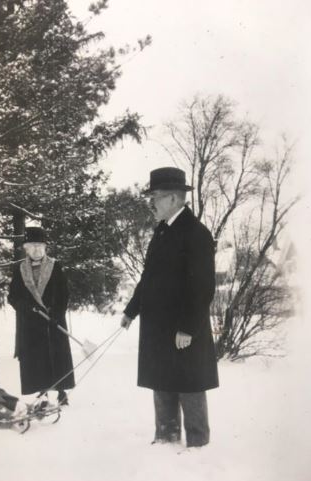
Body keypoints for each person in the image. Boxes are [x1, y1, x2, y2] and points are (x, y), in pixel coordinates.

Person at [121, 167, 219, 449]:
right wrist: (131, 310)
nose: (152, 202)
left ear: (175, 199)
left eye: (156, 197)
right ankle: (166, 439)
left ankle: (198, 446)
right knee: (162, 382)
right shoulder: (161, 232)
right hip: (158, 328)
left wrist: (188, 327)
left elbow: (203, 287)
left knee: (189, 385)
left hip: (183, 328)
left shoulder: (196, 233)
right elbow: (148, 278)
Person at [8, 226, 75, 405]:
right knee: (37, 359)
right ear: (26, 248)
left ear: (46, 248)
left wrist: (57, 312)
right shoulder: (20, 269)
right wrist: (25, 307)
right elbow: (12, 296)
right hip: (30, 323)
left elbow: (64, 293)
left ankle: (61, 391)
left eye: (40, 245)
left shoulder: (55, 266)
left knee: (56, 355)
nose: (37, 249)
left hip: (52, 320)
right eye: (32, 246)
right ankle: (43, 393)